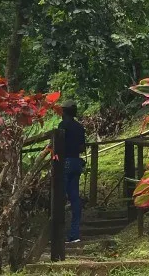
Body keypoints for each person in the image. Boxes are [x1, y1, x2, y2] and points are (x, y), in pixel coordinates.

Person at [58, 100, 87, 244]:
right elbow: (82, 147)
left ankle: (58, 234)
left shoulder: (63, 126)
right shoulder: (79, 127)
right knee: (75, 197)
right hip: (76, 162)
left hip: (65, 162)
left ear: (64, 112)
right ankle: (74, 234)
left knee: (60, 198)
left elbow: (59, 145)